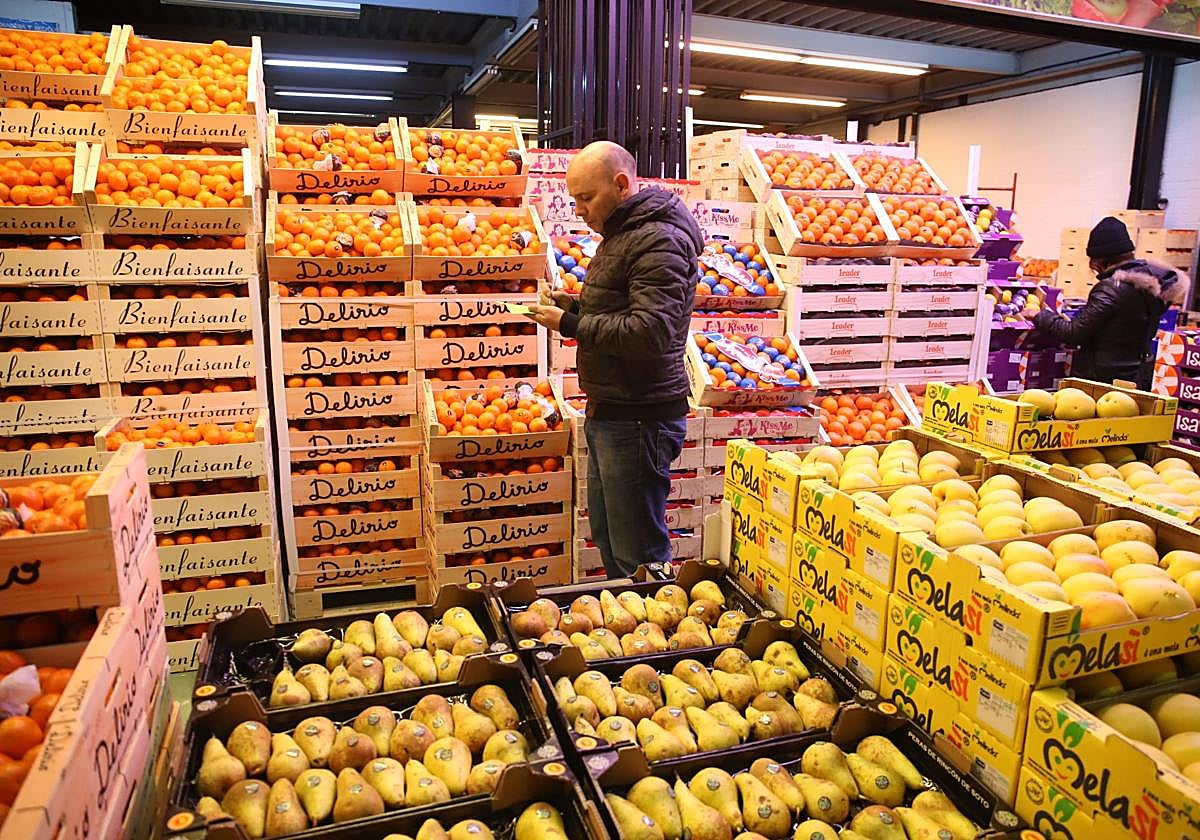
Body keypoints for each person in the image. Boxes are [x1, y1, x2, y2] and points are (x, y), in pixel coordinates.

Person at [526, 141, 702, 578]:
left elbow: (650, 331)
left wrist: (570, 325)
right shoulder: (623, 235)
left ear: (621, 185)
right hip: (615, 407)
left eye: (587, 198)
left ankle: (660, 637)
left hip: (640, 415)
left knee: (638, 550)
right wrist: (572, 306)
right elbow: (621, 309)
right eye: (575, 199)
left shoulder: (658, 239)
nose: (580, 209)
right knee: (610, 537)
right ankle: (632, 628)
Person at [1030, 216, 1187, 389]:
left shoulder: (1111, 289)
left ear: (1103, 259)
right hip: (1134, 376)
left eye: (1094, 260)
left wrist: (1039, 315)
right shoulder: (1152, 285)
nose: (1092, 265)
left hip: (1100, 380)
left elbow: (1073, 333)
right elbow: (1116, 327)